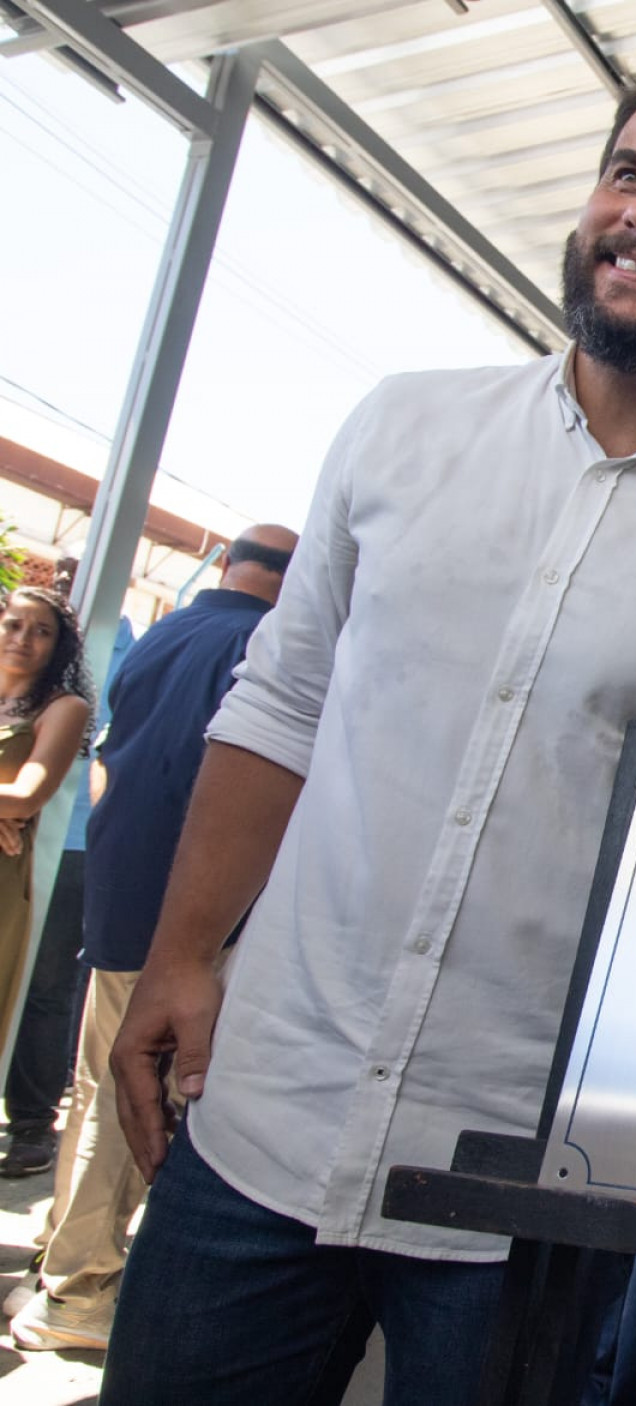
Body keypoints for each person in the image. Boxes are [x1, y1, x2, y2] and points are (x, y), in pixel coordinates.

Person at [99, 50, 636, 1406]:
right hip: (261, 1114)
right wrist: (177, 960)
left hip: (529, 1197)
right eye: (627, 172)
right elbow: (279, 701)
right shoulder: (403, 427)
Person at [9, 526, 296, 1353]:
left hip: (122, 892)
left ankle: (64, 1267)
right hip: (189, 916)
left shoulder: (166, 631)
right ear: (293, 579)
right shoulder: (260, 643)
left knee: (103, 1084)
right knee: (139, 1094)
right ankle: (79, 1294)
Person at [0, 587, 92, 1073]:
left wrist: (8, 807)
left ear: (59, 647)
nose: (23, 638)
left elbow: (27, 796)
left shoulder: (63, 709)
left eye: (41, 631)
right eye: (13, 624)